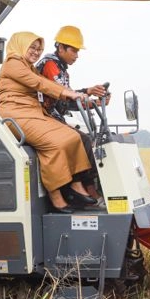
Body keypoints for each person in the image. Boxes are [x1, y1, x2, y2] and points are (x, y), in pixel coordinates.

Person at [0, 32, 96, 213]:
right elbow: (39, 83)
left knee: (73, 136)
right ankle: (55, 195)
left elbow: (43, 82)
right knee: (55, 144)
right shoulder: (12, 63)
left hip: (32, 113)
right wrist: (69, 93)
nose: (36, 52)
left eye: (39, 49)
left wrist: (83, 96)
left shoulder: (29, 66)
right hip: (16, 114)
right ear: (20, 45)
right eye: (32, 48)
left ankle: (75, 184)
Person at [36, 25, 109, 202]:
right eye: (74, 51)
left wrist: (93, 102)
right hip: (42, 115)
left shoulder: (60, 68)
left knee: (86, 139)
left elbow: (64, 102)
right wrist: (88, 96)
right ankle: (84, 189)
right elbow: (65, 94)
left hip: (53, 114)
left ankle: (88, 187)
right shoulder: (51, 64)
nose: (77, 55)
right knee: (80, 139)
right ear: (61, 47)